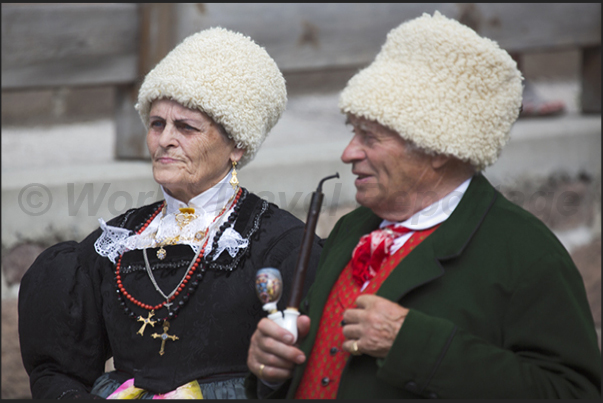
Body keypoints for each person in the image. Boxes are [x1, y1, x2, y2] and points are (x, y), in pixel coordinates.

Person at [245, 11, 601, 399]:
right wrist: (273, 373)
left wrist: (417, 347)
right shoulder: (353, 227)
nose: (349, 153)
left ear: (437, 150)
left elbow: (573, 392)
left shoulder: (527, 255)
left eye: (370, 137)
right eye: (353, 133)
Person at [18, 27, 322, 399]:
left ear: (237, 145)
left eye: (186, 127)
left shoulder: (280, 244)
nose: (164, 140)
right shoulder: (114, 243)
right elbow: (58, 371)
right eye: (157, 123)